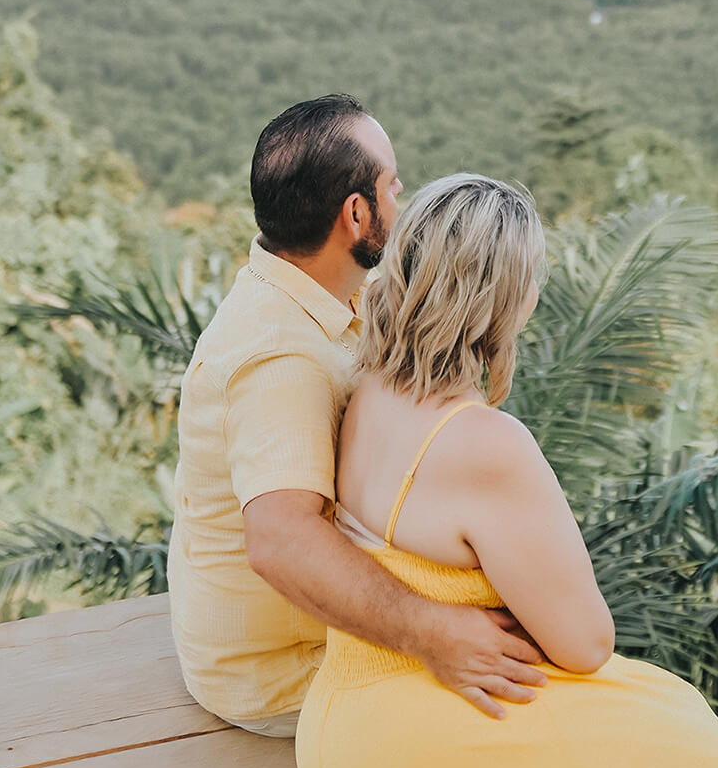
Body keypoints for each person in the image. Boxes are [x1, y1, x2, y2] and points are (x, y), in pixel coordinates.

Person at [295, 172, 718, 768]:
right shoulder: (487, 445)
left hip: (341, 724)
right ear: (508, 301)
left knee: (678, 733)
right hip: (416, 747)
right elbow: (584, 644)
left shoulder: (361, 386)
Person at [168, 96, 547, 735]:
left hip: (316, 638)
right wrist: (435, 633)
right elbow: (283, 541)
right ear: (357, 213)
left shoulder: (324, 292)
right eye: (393, 188)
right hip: (284, 674)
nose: (401, 203)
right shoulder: (280, 354)